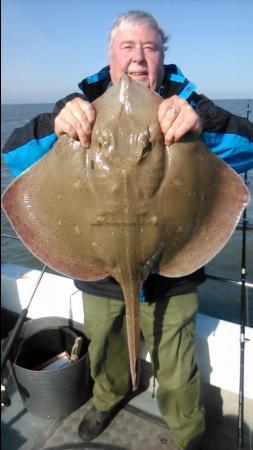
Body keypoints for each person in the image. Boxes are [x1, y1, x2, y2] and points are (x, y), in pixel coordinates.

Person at [2, 10, 253, 450]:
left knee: (176, 364)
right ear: (111, 55)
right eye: (128, 47)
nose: (138, 58)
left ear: (162, 57)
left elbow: (250, 145)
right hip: (99, 268)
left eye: (150, 47)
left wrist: (201, 128)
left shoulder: (189, 102)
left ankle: (188, 431)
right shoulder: (82, 102)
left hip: (173, 269)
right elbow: (15, 155)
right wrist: (54, 125)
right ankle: (107, 397)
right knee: (104, 347)